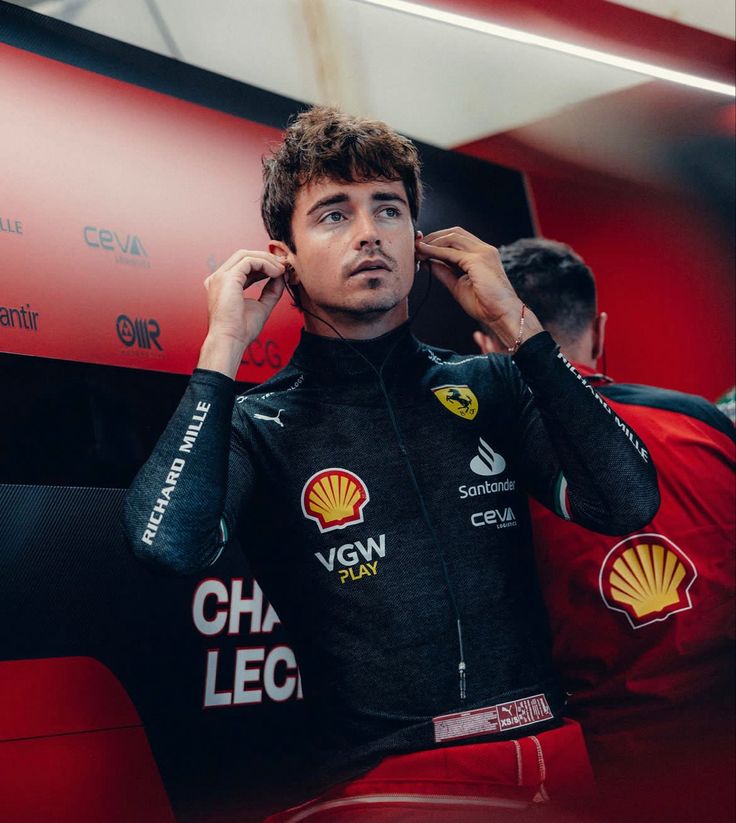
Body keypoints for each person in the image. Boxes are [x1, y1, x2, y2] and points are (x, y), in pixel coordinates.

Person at [123, 108, 659, 821]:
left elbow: (627, 500)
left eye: (389, 208)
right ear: (282, 254)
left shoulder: (491, 383)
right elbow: (168, 543)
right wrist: (222, 347)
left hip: (552, 760)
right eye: (334, 214)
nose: (369, 231)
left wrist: (516, 326)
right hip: (386, 787)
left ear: (419, 238)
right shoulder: (261, 424)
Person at [475, 237, 735, 823]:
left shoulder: (491, 468)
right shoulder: (706, 423)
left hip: (604, 779)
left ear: (487, 347)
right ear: (599, 329)